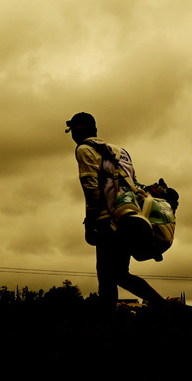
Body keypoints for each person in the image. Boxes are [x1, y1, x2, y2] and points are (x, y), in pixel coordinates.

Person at [67, 111, 165, 312]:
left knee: (106, 275)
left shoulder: (84, 149)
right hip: (128, 217)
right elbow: (132, 183)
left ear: (77, 131)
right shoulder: (121, 151)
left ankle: (108, 320)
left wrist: (91, 221)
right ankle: (164, 306)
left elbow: (91, 188)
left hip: (106, 219)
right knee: (120, 274)